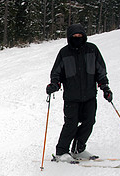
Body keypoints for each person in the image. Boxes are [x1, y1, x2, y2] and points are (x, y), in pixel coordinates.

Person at [46, 24, 113, 162]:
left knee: (89, 121)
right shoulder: (64, 53)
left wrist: (105, 87)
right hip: (71, 96)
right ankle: (61, 152)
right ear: (69, 37)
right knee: (71, 124)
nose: (77, 38)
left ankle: (78, 149)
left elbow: (100, 70)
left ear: (84, 36)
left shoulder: (92, 50)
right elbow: (56, 72)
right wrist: (54, 84)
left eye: (80, 36)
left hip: (89, 95)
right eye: (74, 36)